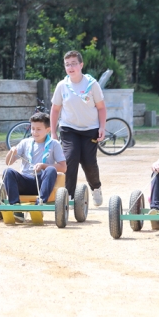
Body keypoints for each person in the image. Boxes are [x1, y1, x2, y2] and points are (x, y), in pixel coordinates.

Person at [50, 50, 106, 206]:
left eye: (74, 63)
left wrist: (102, 127)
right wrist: (53, 132)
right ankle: (68, 196)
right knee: (70, 158)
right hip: (69, 129)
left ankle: (96, 188)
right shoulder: (62, 86)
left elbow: (101, 108)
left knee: (89, 162)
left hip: (90, 129)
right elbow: (55, 109)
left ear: (81, 65)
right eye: (67, 64)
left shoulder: (92, 84)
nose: (70, 67)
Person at [4, 112, 67, 223]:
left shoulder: (54, 144)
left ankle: (40, 204)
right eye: (32, 129)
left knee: (51, 169)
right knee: (8, 171)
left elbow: (63, 167)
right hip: (25, 180)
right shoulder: (25, 143)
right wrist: (11, 152)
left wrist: (44, 166)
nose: (34, 132)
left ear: (47, 130)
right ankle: (16, 208)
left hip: (43, 181)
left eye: (38, 129)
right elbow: (8, 162)